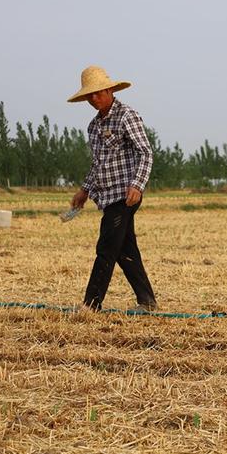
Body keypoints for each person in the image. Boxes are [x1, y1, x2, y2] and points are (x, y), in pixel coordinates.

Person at [67, 66, 156, 312]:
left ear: (109, 90)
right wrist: (84, 191)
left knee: (106, 247)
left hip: (126, 194)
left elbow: (145, 153)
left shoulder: (127, 116)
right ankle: (147, 301)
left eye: (98, 93)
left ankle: (91, 304)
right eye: (89, 95)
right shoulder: (93, 127)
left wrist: (137, 185)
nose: (93, 99)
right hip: (107, 196)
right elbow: (98, 164)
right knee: (125, 249)